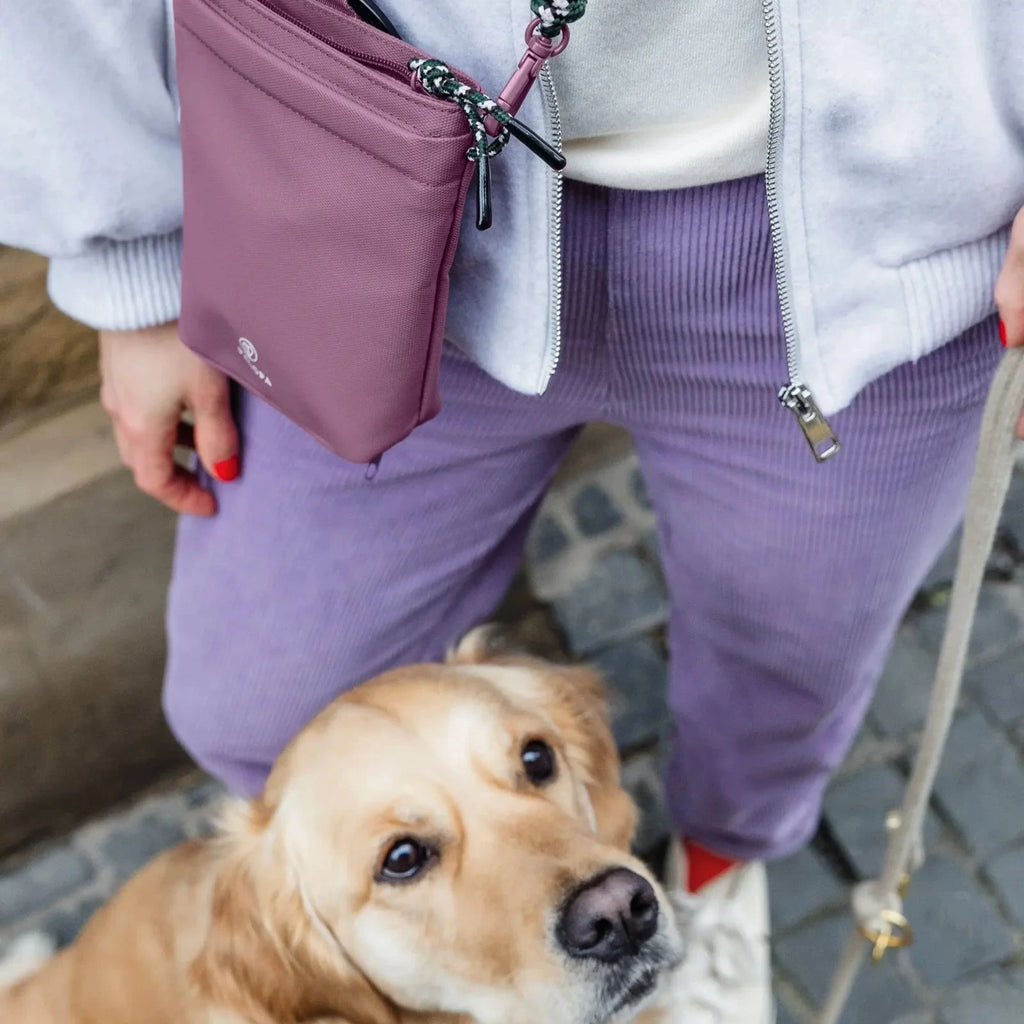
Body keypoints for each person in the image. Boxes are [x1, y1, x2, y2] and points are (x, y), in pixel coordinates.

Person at [2, 1, 1023, 1020]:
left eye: (538, 763)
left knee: (787, 679)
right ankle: (424, 975)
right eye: (408, 854)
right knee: (259, 702)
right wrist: (130, 265)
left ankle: (713, 884)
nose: (597, 892)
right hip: (376, 193)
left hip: (877, 226)